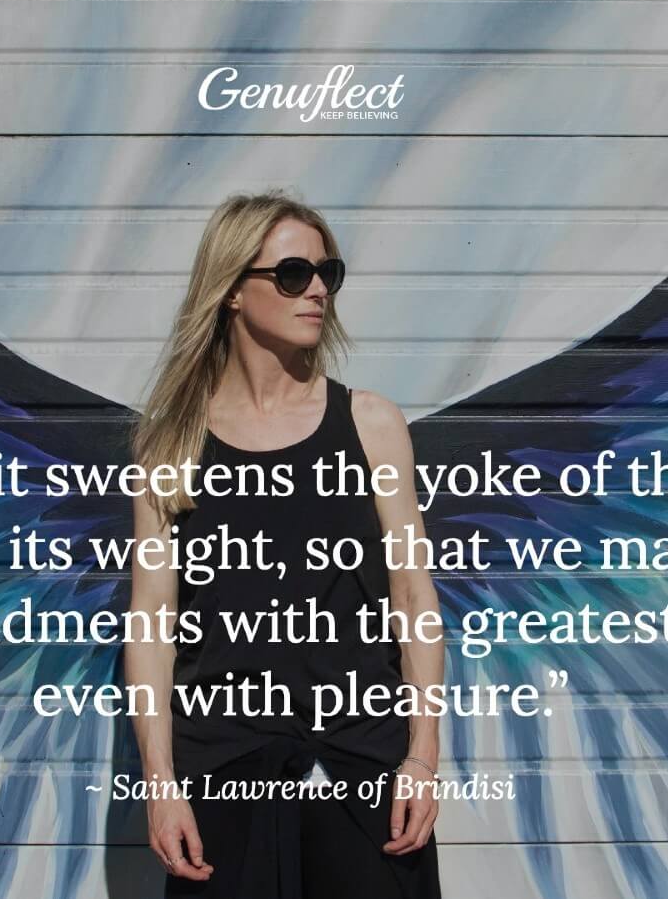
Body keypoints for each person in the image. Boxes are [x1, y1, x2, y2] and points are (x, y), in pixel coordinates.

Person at [124, 189, 445, 898]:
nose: (317, 291)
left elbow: (415, 598)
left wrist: (422, 755)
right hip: (223, 776)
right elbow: (151, 626)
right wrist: (161, 783)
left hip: (366, 771)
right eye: (293, 274)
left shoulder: (371, 424)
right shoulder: (170, 442)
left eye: (328, 272)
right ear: (234, 290)